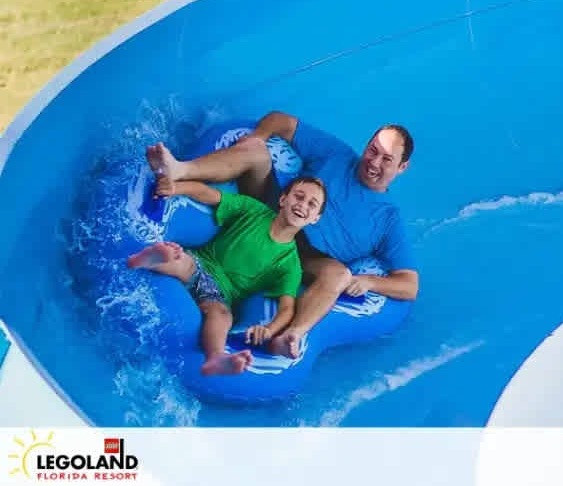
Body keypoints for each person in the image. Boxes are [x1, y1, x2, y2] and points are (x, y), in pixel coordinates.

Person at [144, 111, 418, 359]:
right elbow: (281, 121)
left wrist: (370, 281)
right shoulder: (337, 155)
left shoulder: (387, 218)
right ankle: (178, 169)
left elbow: (409, 285)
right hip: (274, 211)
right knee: (256, 152)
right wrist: (257, 138)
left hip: (307, 256)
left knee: (339, 274)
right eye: (372, 151)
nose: (374, 162)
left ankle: (293, 334)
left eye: (386, 159)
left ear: (402, 167)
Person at [127, 173, 327, 375]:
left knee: (222, 316)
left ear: (315, 218)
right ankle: (147, 259)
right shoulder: (254, 211)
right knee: (181, 261)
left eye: (312, 204)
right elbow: (210, 194)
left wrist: (269, 329)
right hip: (200, 263)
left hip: (220, 295)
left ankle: (215, 358)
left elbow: (287, 309)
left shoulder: (290, 264)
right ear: (283, 199)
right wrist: (175, 188)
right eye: (299, 196)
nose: (302, 205)